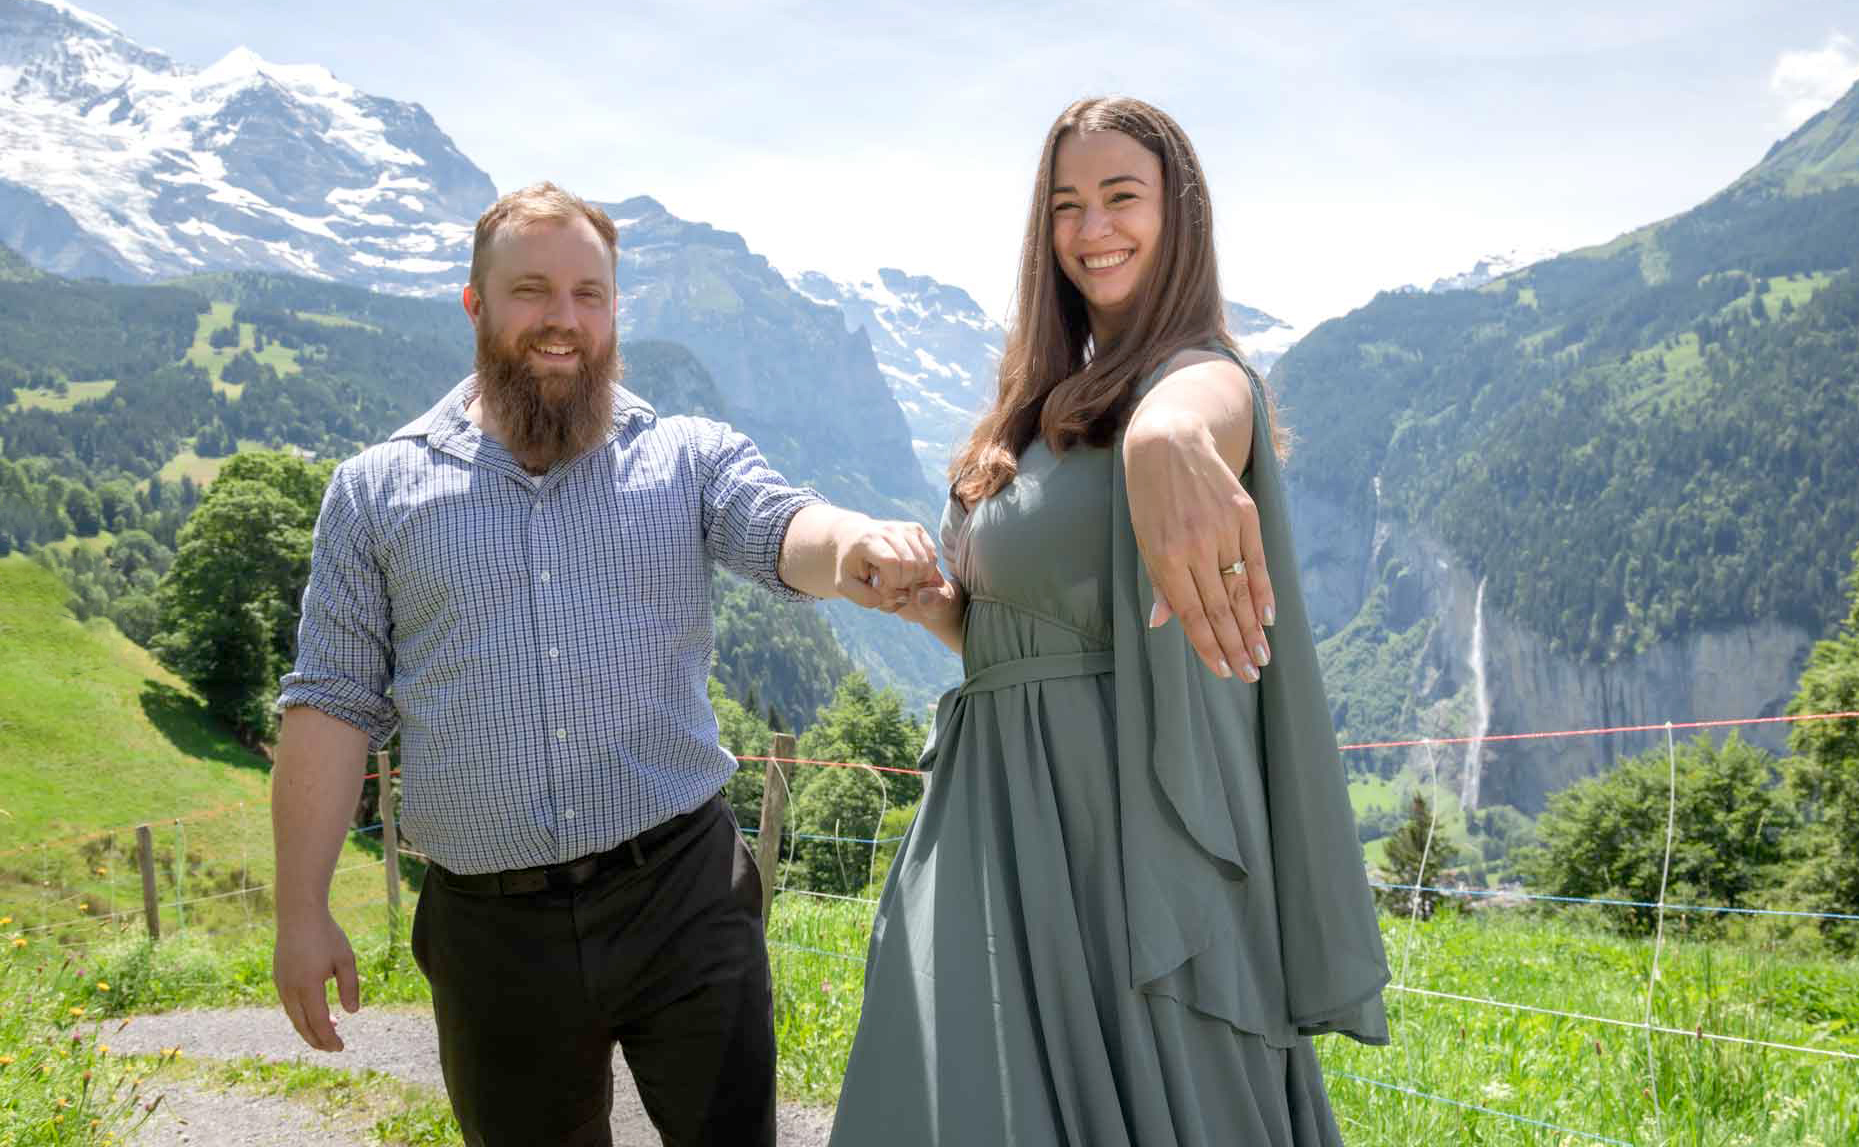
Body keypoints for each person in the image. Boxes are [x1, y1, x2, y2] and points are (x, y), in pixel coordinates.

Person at [270, 181, 940, 1147]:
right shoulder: (376, 493)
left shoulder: (685, 458)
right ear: (476, 304)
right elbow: (329, 706)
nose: (563, 320)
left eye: (589, 294)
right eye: (533, 291)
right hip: (491, 931)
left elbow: (781, 523)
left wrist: (856, 547)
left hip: (683, 893)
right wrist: (302, 910)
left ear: (615, 310)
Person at [829, 98, 1390, 1146]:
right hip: (995, 815)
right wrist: (947, 608)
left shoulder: (1199, 378)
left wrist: (1162, 440)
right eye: (1067, 205)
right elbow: (1050, 640)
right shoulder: (1036, 410)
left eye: (1121, 197)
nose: (1093, 230)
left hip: (1128, 837)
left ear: (1179, 213)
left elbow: (1203, 411)